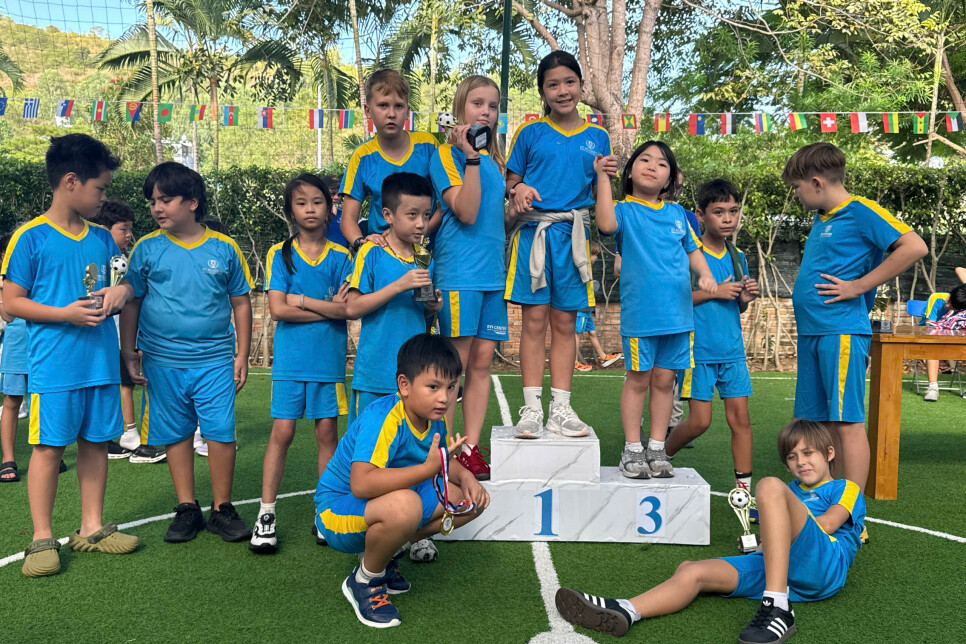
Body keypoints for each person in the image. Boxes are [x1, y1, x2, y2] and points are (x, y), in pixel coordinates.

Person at [555, 419, 865, 644]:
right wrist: (763, 543)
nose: (801, 462)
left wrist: (777, 532)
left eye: (808, 453)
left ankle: (778, 608)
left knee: (769, 485)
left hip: (825, 566)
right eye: (792, 457)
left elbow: (827, 524)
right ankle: (627, 609)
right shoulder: (792, 490)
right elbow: (779, 539)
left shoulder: (844, 487)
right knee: (691, 570)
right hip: (783, 570)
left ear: (829, 453)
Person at [2, 133, 140, 576]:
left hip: (99, 363)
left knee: (95, 443)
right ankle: (42, 537)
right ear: (70, 181)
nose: (103, 197)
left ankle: (92, 527)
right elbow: (10, 302)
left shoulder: (103, 238)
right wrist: (64, 314)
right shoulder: (30, 238)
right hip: (54, 366)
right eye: (100, 188)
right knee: (47, 449)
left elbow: (126, 284)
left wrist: (120, 293)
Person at [784, 142, 926, 510]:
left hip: (842, 331)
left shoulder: (861, 211)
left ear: (817, 182)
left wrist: (859, 286)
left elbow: (914, 247)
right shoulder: (824, 217)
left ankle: (851, 512)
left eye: (797, 187)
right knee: (815, 424)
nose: (797, 194)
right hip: (814, 332)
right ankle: (823, 500)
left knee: (846, 423)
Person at [314, 333, 488, 628]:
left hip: (383, 500)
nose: (444, 397)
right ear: (404, 385)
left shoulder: (433, 417)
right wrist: (427, 470)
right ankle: (364, 580)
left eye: (451, 387)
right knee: (406, 506)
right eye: (433, 387)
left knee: (468, 501)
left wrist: (468, 476)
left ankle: (388, 553)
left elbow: (443, 459)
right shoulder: (384, 417)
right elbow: (361, 484)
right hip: (337, 510)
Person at [120, 161, 254, 545]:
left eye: (166, 199)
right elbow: (132, 302)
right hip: (161, 360)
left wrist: (242, 354)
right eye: (153, 201)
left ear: (192, 202)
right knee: (176, 432)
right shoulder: (146, 249)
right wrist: (128, 351)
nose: (157, 208)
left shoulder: (224, 248)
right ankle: (186, 508)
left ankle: (222, 509)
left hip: (215, 359)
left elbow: (241, 302)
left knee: (219, 432)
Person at [504, 50, 619, 439]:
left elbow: (601, 195)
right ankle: (531, 408)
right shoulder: (529, 133)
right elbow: (511, 182)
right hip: (533, 234)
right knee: (534, 321)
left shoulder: (597, 137)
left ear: (582, 86)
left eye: (570, 82)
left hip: (574, 237)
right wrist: (519, 189)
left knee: (566, 323)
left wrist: (604, 176)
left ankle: (561, 408)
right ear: (542, 92)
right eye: (553, 84)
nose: (563, 90)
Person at [594, 141, 716, 479]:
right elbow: (605, 224)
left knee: (665, 382)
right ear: (630, 172)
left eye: (662, 164)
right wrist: (602, 178)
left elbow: (694, 251)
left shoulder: (678, 215)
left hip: (678, 317)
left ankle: (657, 447)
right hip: (642, 317)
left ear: (670, 179)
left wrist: (705, 274)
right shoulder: (624, 210)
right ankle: (632, 449)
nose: (652, 166)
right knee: (638, 380)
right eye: (644, 159)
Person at [250, 173, 352, 554]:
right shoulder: (280, 254)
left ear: (330, 208)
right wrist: (326, 308)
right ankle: (266, 514)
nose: (310, 209)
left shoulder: (342, 257)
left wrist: (303, 301)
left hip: (328, 362)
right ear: (290, 210)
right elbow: (278, 309)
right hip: (290, 363)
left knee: (327, 435)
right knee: (282, 433)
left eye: (318, 202)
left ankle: (325, 513)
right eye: (301, 202)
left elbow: (347, 310)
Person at [345, 172, 444, 562]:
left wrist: (432, 304)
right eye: (412, 215)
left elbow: (426, 315)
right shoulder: (371, 252)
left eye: (426, 215)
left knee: (415, 452)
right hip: (376, 371)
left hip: (417, 377)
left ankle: (413, 531)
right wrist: (399, 285)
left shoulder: (423, 255)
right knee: (372, 457)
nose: (420, 224)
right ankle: (369, 533)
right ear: (387, 215)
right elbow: (352, 306)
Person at [429, 74, 508, 480]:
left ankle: (470, 450)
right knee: (452, 369)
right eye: (478, 104)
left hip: (493, 277)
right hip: (459, 274)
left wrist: (518, 210)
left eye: (493, 106)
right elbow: (466, 211)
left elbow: (494, 221)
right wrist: (471, 156)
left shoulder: (495, 162)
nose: (486, 112)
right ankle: (441, 451)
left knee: (481, 363)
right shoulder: (446, 155)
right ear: (460, 108)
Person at [667, 179, 759, 496]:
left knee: (741, 420)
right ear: (700, 215)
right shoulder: (690, 254)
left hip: (732, 352)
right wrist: (715, 291)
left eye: (733, 211)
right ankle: (662, 454)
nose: (727, 218)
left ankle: (743, 493)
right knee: (699, 422)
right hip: (699, 352)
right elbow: (676, 300)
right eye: (718, 212)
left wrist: (746, 297)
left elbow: (739, 306)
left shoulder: (738, 255)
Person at [89, 199, 167, 465]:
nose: (128, 235)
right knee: (117, 383)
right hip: (102, 336)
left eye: (130, 229)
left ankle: (127, 434)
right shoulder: (99, 259)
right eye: (123, 229)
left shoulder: (123, 260)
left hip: (122, 335)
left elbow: (131, 295)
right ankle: (126, 434)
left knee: (125, 382)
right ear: (104, 229)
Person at [339, 69, 440, 254]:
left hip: (428, 252)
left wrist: (421, 233)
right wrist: (362, 243)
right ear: (367, 110)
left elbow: (444, 204)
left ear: (408, 112)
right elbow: (348, 220)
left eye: (399, 106)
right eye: (383, 105)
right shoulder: (362, 156)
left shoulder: (428, 146)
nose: (391, 113)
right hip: (383, 253)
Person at [0, 233, 30, 482]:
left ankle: (47, 451)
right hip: (17, 343)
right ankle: (7, 458)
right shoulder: (5, 281)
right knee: (12, 400)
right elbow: (7, 315)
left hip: (45, 342)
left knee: (42, 398)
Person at [574, 243, 622, 372]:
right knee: (577, 334)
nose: (595, 257)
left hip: (588, 307)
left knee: (592, 332)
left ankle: (603, 357)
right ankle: (574, 362)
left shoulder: (588, 269)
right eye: (593, 254)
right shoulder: (581, 268)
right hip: (581, 306)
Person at [923, 266, 966, 401]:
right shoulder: (937, 298)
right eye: (949, 302)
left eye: (953, 307)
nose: (948, 306)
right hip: (937, 336)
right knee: (933, 345)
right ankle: (933, 387)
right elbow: (959, 269)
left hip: (958, 339)